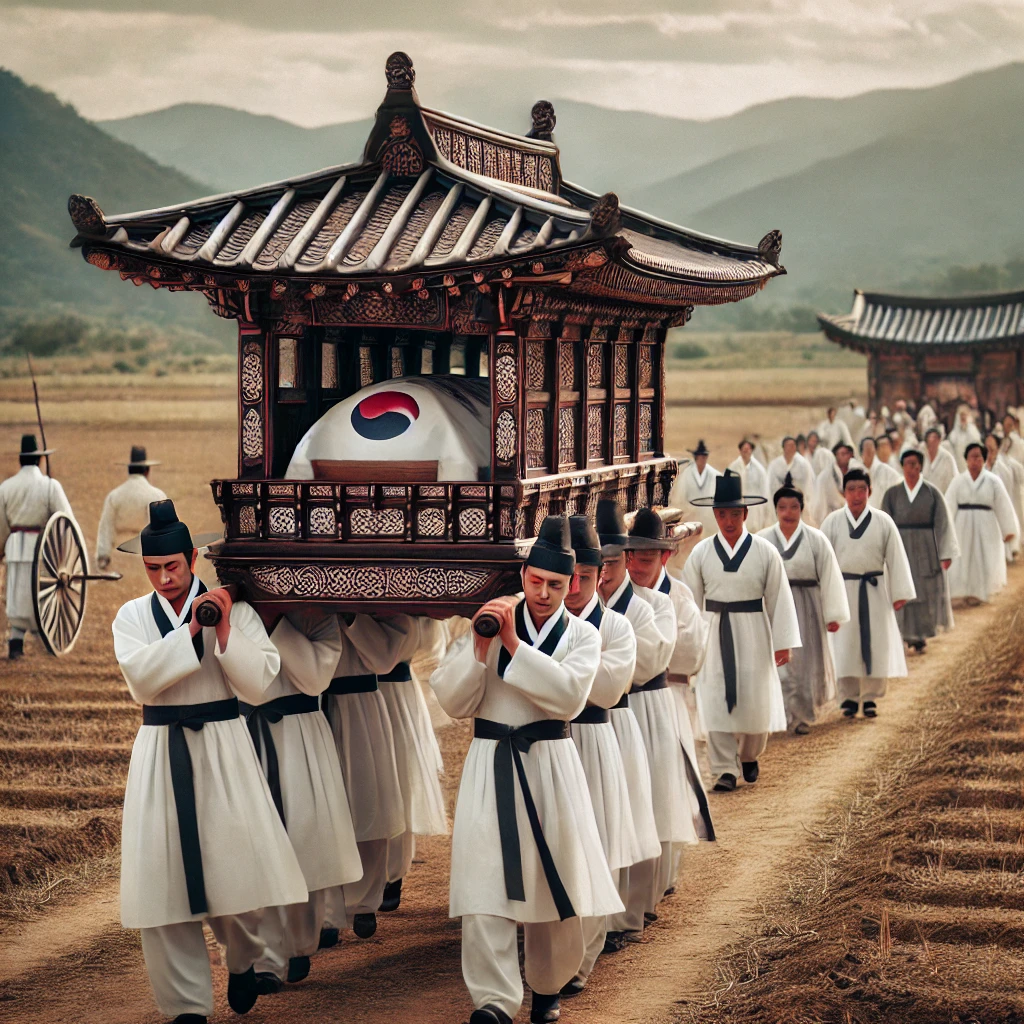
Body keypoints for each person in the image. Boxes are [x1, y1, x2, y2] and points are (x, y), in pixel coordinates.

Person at [111, 499, 307, 1024]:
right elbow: (142, 680)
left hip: (224, 746)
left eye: (173, 566)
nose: (164, 578)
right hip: (159, 750)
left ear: (192, 557)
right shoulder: (131, 616)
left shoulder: (235, 611)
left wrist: (222, 628)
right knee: (164, 885)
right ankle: (187, 1008)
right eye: (153, 569)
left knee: (237, 873)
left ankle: (242, 958)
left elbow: (260, 680)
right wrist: (194, 629)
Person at [430, 515, 618, 1024]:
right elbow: (451, 698)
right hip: (491, 763)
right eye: (535, 582)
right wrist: (481, 645)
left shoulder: (583, 636)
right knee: (484, 880)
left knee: (554, 879)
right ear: (524, 576)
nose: (543, 592)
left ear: (573, 583)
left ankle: (547, 984)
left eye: (555, 585)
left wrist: (513, 646)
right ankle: (492, 999)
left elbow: (569, 697)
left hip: (552, 764)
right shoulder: (487, 620)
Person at [244, 609, 363, 991]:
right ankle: (266, 958)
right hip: (247, 735)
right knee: (256, 846)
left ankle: (299, 942)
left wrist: (276, 623)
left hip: (301, 736)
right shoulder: (232, 613)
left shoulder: (317, 617)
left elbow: (314, 679)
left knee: (305, 840)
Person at [560, 515, 650, 997]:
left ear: (600, 576)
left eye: (585, 577)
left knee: (597, 848)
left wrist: (553, 676)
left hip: (595, 740)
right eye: (566, 576)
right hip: (551, 743)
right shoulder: (541, 622)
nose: (573, 588)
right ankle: (555, 948)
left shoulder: (617, 627)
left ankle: (581, 959)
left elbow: (607, 688)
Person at [595, 499, 681, 947]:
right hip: (592, 718)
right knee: (605, 814)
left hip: (640, 710)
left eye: (615, 560)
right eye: (601, 562)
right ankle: (598, 914)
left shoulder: (652, 606)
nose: (607, 571)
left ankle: (630, 911)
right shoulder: (582, 605)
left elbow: (647, 663)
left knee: (642, 808)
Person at [684, 472, 800, 791]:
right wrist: (691, 645)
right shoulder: (701, 554)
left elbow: (778, 597)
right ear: (715, 515)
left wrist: (783, 642)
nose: (728, 521)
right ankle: (723, 768)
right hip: (714, 630)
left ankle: (750, 754)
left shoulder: (765, 552)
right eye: (722, 514)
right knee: (714, 696)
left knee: (755, 696)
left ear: (745, 514)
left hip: (754, 632)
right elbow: (691, 604)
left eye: (735, 513)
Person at [624, 508, 714, 908]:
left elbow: (690, 655)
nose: (636, 567)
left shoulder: (678, 595)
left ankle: (665, 874)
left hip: (666, 695)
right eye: (631, 558)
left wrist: (654, 655)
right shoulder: (617, 591)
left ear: (663, 557)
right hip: (624, 701)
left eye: (646, 559)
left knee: (667, 788)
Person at [320, 613, 408, 941]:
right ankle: (327, 912)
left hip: (362, 704)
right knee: (324, 811)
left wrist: (350, 616)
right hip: (311, 707)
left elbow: (385, 658)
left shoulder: (376, 597)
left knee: (368, 801)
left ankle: (364, 901)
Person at [820, 470, 916, 719]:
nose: (856, 495)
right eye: (851, 489)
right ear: (844, 493)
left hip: (875, 589)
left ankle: (871, 697)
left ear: (870, 492)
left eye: (862, 489)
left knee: (877, 643)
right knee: (844, 645)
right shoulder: (831, 523)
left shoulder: (883, 521)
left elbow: (895, 557)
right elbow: (823, 562)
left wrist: (899, 592)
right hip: (843, 590)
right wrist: (824, 596)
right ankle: (849, 697)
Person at [758, 474, 849, 734]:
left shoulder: (816, 540)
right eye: (783, 507)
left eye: (794, 507)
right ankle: (782, 714)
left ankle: (802, 717)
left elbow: (830, 576)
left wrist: (833, 614)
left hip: (807, 605)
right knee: (780, 664)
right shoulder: (763, 540)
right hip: (773, 607)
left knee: (805, 662)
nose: (788, 513)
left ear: (802, 508)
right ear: (775, 510)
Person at [0, 434, 73, 659]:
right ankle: (45, 637)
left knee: (17, 593)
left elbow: (1, 523)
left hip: (15, 545)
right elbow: (66, 519)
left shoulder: (6, 487)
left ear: (21, 459)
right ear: (40, 460)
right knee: (39, 593)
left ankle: (16, 640)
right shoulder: (50, 486)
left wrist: (2, 547)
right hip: (43, 548)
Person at [881, 449, 959, 653]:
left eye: (915, 464)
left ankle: (920, 636)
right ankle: (903, 634)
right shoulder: (892, 494)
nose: (911, 469)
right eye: (907, 464)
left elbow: (943, 523)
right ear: (902, 466)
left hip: (926, 548)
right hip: (901, 546)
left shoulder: (932, 493)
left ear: (921, 467)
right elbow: (884, 525)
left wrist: (946, 553)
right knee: (902, 589)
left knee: (923, 591)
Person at [945, 442, 1019, 604]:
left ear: (984, 460)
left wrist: (1008, 530)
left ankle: (980, 593)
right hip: (962, 525)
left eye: (979, 457)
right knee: (964, 559)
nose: (975, 461)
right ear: (966, 460)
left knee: (984, 558)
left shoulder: (993, 481)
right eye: (972, 457)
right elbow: (949, 505)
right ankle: (964, 591)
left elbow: (1003, 505)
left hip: (987, 525)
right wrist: (946, 529)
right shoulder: (958, 481)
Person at [96, 445, 167, 570]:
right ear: (147, 470)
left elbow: (106, 527)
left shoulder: (114, 496)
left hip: (118, 557)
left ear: (129, 470)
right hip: (146, 558)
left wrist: (103, 556)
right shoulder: (156, 495)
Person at [984, 433, 1024, 562]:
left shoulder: (1004, 468)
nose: (989, 451)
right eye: (987, 448)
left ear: (997, 449)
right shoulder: (981, 467)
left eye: (992, 448)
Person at [669, 439, 720, 538]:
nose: (702, 460)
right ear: (696, 458)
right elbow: (680, 497)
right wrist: (688, 512)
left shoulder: (715, 475)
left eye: (704, 457)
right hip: (691, 516)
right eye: (700, 457)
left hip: (709, 518)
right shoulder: (687, 474)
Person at [766, 436, 816, 523]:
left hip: (798, 499)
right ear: (783, 447)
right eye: (788, 445)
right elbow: (770, 485)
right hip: (780, 499)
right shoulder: (775, 465)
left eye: (793, 445)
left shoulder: (803, 464)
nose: (791, 448)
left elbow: (808, 483)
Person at [728, 439, 770, 532]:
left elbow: (764, 491)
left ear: (751, 450)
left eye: (748, 449)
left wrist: (764, 510)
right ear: (740, 451)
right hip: (737, 505)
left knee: (754, 531)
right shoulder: (733, 468)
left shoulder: (759, 470)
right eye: (744, 449)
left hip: (755, 509)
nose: (746, 452)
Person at [812, 442, 854, 524]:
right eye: (842, 454)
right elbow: (820, 508)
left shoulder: (854, 470)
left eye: (846, 453)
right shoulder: (824, 477)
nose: (846, 456)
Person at [860, 437, 901, 509]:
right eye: (866, 450)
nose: (869, 452)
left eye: (871, 449)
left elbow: (900, 484)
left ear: (875, 451)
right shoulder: (857, 472)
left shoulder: (887, 471)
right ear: (861, 453)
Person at [923, 427, 957, 493]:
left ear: (939, 441)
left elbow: (953, 483)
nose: (931, 447)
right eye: (929, 444)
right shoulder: (923, 457)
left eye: (934, 441)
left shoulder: (947, 459)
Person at [948, 406, 981, 471]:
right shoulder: (954, 434)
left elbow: (976, 442)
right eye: (961, 415)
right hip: (958, 465)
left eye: (964, 415)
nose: (963, 417)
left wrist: (967, 426)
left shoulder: (973, 431)